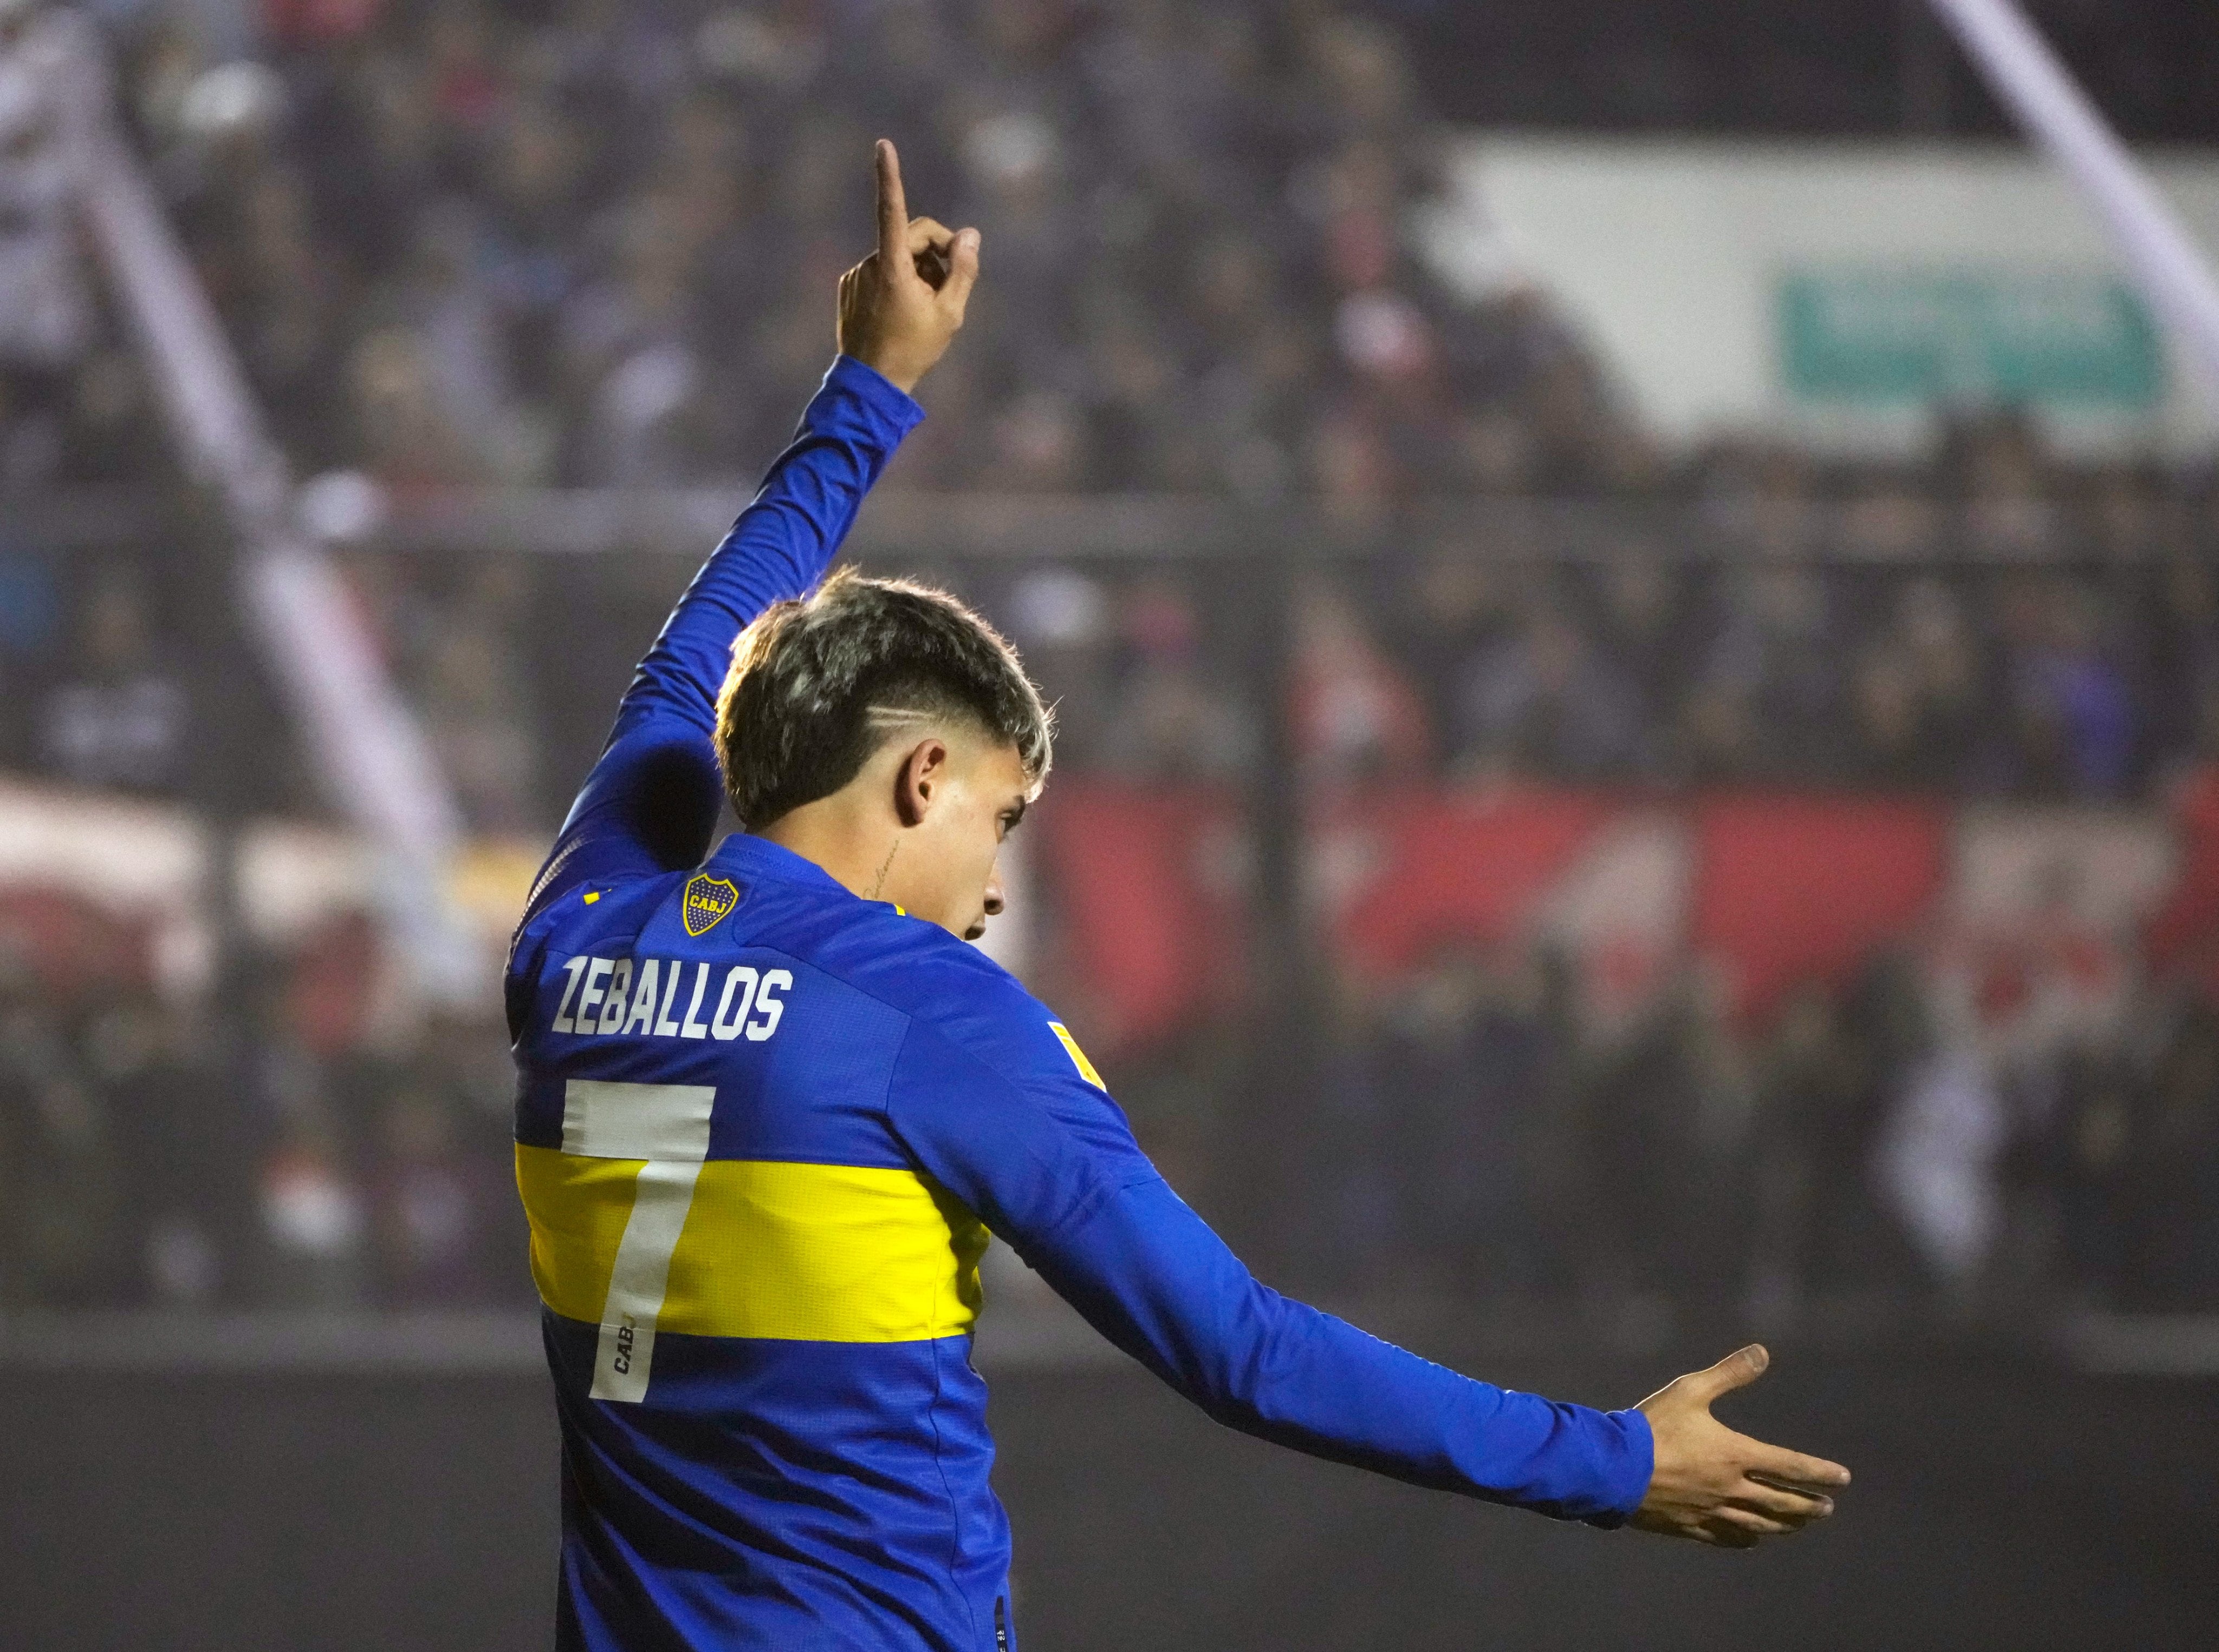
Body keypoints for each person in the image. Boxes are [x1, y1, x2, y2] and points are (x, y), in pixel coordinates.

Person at [508, 141, 1850, 1652]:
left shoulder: (573, 943)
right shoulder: (937, 1023)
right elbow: (1243, 1349)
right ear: (922, 778)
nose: (998, 888)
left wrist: (868, 393)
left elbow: (689, 665)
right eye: (1004, 820)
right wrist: (1610, 1458)